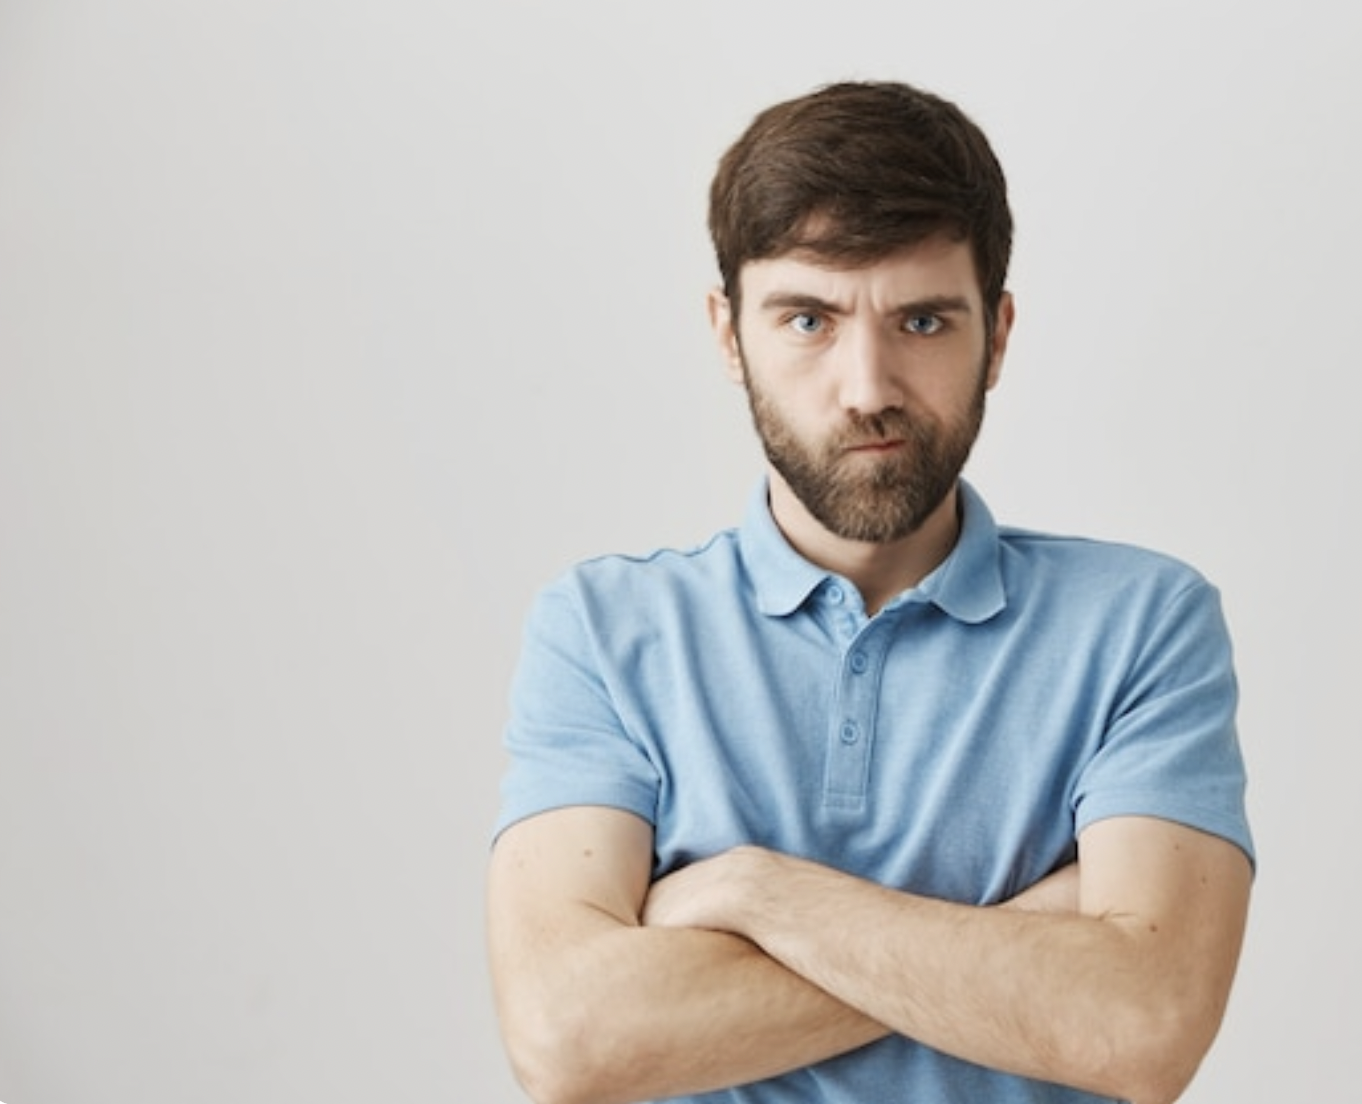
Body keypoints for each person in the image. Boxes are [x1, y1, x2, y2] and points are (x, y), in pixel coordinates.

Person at [486, 79, 1254, 1104]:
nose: (867, 388)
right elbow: (573, 1043)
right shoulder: (602, 632)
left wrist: (752, 890)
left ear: (998, 335)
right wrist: (1030, 940)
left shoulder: (1141, 625)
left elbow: (1141, 1028)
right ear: (728, 334)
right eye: (808, 318)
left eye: (923, 321)